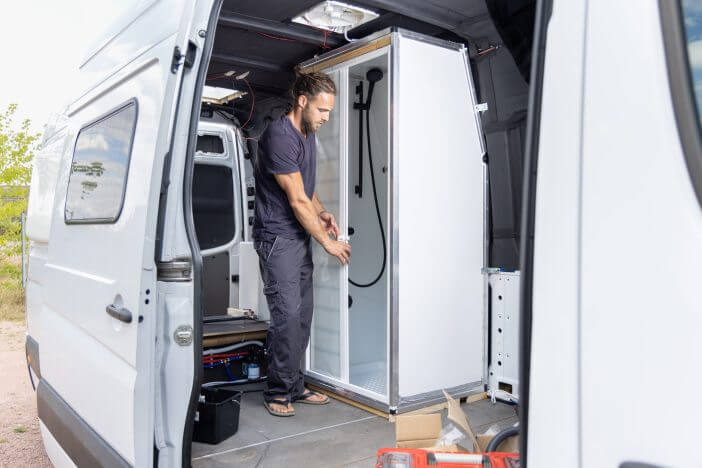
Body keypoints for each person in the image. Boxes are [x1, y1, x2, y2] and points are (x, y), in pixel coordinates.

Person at [253, 71, 351, 417]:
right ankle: (277, 391)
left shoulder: (307, 133)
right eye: (322, 110)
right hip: (277, 237)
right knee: (287, 315)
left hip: (297, 235)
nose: (326, 118)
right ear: (303, 101)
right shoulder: (280, 136)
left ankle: (294, 384)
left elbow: (306, 190)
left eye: (330, 112)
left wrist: (322, 213)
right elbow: (295, 200)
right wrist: (328, 242)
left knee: (303, 315)